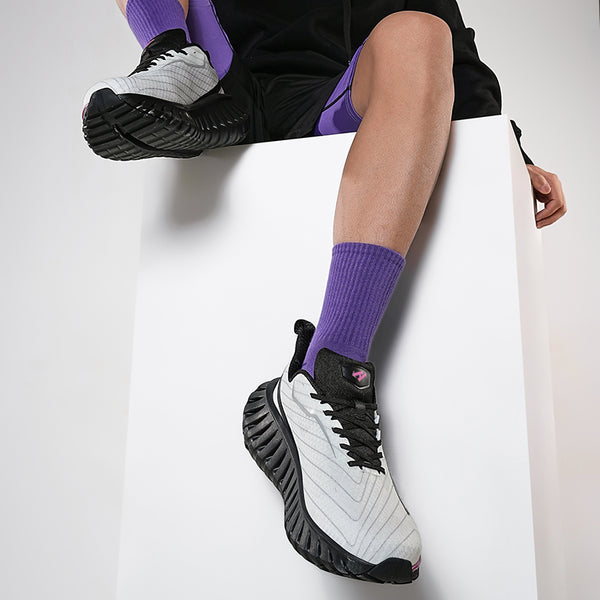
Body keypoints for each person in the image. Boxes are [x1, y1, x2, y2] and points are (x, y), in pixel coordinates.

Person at [82, 0, 567, 584]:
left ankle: (327, 380)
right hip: (231, 80)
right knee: (197, 58)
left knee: (420, 31)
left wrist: (505, 149)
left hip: (339, 98)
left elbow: (456, 55)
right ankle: (174, 60)